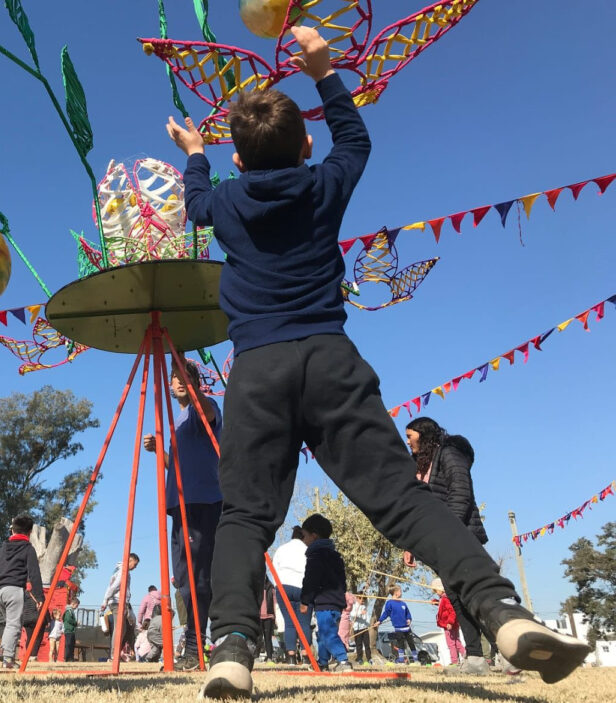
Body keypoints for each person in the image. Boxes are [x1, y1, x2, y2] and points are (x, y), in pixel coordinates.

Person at [165, 24, 590, 699]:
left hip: (258, 370)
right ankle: (502, 611)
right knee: (399, 498)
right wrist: (323, 70)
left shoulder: (223, 203)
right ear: (305, 148)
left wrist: (193, 152)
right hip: (331, 360)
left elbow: (193, 199)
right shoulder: (322, 184)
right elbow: (355, 140)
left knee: (246, 515)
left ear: (237, 164)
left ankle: (232, 649)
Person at [142, 359, 222, 671]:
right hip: (180, 503)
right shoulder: (178, 419)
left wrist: (192, 383)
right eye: (174, 377)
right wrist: (158, 452)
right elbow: (175, 464)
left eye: (182, 377)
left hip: (203, 501)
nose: (176, 382)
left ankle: (197, 645)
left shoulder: (205, 407)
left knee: (198, 576)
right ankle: (198, 642)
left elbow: (210, 415)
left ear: (194, 382)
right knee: (184, 579)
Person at [404, 417, 490, 675]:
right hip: (438, 541)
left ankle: (508, 651)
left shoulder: (449, 455)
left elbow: (461, 494)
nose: (407, 441)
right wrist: (411, 544)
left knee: (476, 594)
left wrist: (448, 532)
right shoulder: (419, 465)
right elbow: (416, 507)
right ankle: (475, 657)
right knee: (455, 597)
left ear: (425, 435)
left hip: (461, 535)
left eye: (411, 436)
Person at [298, 514, 352, 673]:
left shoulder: (315, 556)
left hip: (324, 602)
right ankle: (322, 663)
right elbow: (342, 580)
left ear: (313, 536)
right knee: (323, 633)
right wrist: (342, 599)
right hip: (335, 602)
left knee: (327, 633)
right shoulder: (335, 556)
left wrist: (305, 600)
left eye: (304, 535)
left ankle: (343, 660)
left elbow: (311, 580)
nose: (303, 539)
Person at [0, 515, 42, 669]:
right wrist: (39, 597)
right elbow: (34, 574)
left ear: (13, 530)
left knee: (10, 624)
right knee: (14, 625)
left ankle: (7, 652)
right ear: (30, 532)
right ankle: (7, 658)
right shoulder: (27, 549)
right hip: (14, 589)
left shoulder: (1, 548)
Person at [272, 526, 312, 664]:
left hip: (284, 587)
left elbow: (274, 569)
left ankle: (291, 657)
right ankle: (306, 657)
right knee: (304, 623)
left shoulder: (281, 549)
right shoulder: (308, 549)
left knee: (289, 623)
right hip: (303, 587)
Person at [99, 553, 140, 660]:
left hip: (118, 601)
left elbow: (111, 587)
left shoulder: (118, 570)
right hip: (118, 602)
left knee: (123, 629)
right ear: (130, 560)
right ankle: (114, 654)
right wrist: (105, 600)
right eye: (134, 565)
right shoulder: (123, 571)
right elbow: (115, 586)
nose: (135, 568)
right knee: (119, 629)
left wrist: (106, 600)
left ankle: (116, 652)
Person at [378, 585, 419, 664]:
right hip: (398, 628)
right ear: (396, 593)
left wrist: (409, 619)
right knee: (401, 644)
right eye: (400, 591)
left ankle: (416, 660)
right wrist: (380, 621)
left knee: (411, 643)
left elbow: (408, 613)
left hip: (407, 628)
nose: (401, 592)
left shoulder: (403, 603)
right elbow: (386, 613)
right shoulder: (389, 603)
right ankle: (401, 660)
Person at [432, 578, 465, 666]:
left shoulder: (446, 599)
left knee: (451, 643)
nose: (435, 592)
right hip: (453, 624)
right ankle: (466, 656)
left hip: (448, 624)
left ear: (440, 588)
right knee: (457, 642)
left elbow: (452, 611)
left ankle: (454, 661)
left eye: (436, 590)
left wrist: (449, 622)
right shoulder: (446, 598)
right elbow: (444, 607)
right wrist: (436, 602)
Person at [350, 595, 372, 665]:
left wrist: (367, 588)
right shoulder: (354, 605)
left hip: (364, 627)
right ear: (357, 598)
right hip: (357, 628)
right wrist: (360, 613)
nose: (363, 601)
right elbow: (352, 614)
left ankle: (369, 658)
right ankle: (359, 658)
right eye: (361, 599)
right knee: (358, 644)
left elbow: (368, 599)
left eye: (364, 600)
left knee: (367, 644)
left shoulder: (365, 604)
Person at [257, 576, 275, 662]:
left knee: (268, 638)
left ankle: (269, 657)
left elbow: (275, 603)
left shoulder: (271, 588)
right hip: (258, 616)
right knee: (258, 637)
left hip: (269, 616)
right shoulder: (256, 587)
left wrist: (275, 617)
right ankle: (255, 656)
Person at [62, 597, 79, 663]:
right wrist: (75, 623)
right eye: (76, 605)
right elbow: (68, 619)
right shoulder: (68, 611)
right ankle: (67, 658)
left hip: (72, 630)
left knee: (72, 644)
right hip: (68, 630)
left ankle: (71, 658)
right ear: (73, 604)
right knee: (69, 644)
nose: (76, 607)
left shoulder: (71, 611)